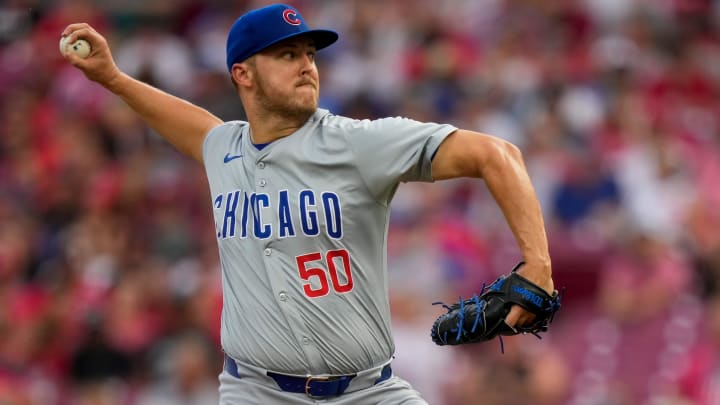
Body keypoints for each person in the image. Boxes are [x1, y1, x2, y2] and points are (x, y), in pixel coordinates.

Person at [60, 3, 554, 404]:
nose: (306, 65)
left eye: (310, 55)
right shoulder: (224, 148)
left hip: (369, 392)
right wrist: (112, 77)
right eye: (287, 54)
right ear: (243, 74)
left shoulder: (358, 143)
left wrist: (538, 264)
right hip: (255, 392)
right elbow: (188, 122)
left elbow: (497, 154)